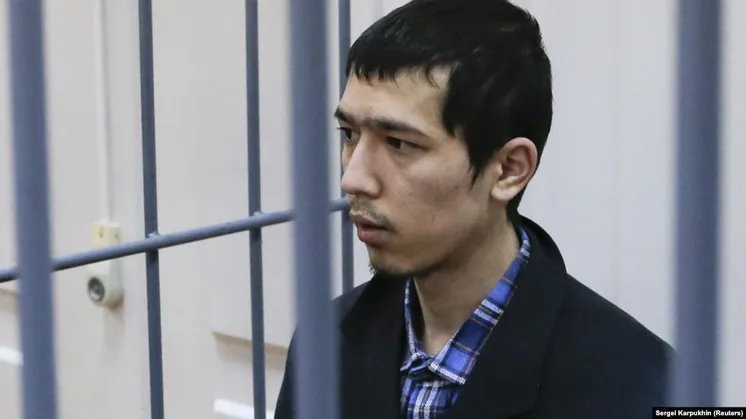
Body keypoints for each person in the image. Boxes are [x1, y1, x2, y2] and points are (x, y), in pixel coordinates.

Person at [275, 0, 672, 418]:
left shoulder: (648, 387)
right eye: (349, 134)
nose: (353, 179)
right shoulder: (324, 343)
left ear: (509, 169)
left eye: (399, 143)